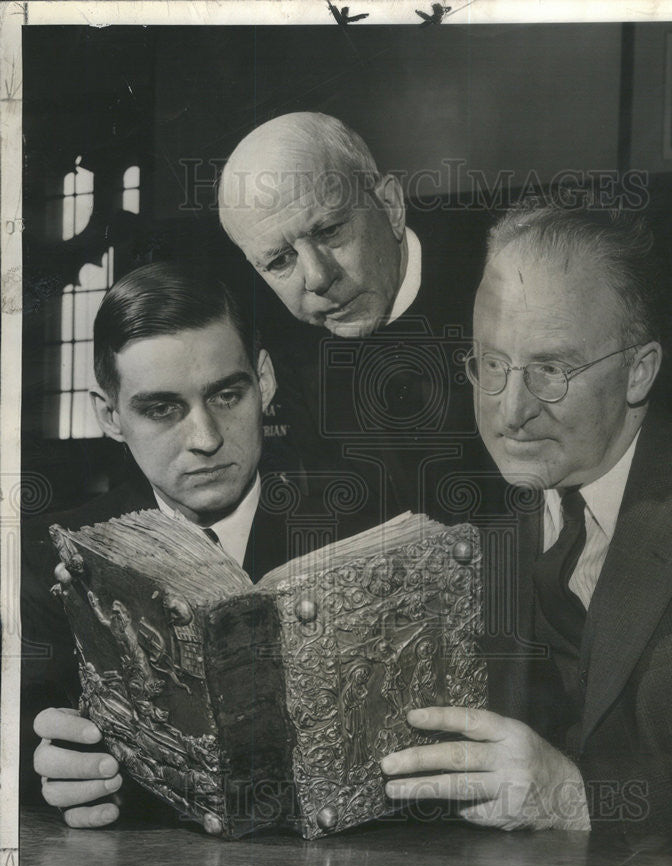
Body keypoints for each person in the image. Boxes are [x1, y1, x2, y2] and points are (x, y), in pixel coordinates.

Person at [379, 204, 672, 841]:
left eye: (551, 370)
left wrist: (576, 796)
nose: (510, 412)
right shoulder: (468, 535)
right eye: (492, 364)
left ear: (639, 371)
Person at [23, 263, 290, 828]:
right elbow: (22, 724)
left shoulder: (363, 526)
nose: (206, 439)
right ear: (110, 416)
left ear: (263, 381)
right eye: (162, 409)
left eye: (226, 394)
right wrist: (40, 763)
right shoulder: (43, 556)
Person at [218, 111, 496, 525]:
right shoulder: (275, 364)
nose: (317, 278)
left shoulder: (501, 283)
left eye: (329, 231)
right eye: (279, 261)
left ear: (391, 206)